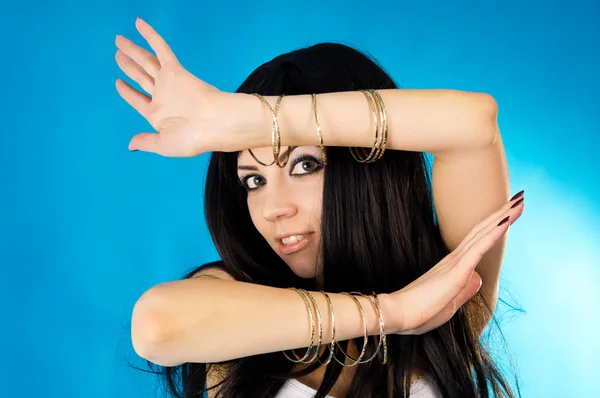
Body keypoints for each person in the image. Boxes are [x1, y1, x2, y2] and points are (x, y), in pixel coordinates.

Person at [116, 17, 524, 398]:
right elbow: (155, 326)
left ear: (366, 165)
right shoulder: (234, 306)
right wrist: (395, 313)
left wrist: (257, 118)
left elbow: (474, 124)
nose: (272, 209)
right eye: (253, 180)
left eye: (305, 165)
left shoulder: (450, 301)